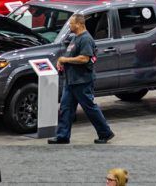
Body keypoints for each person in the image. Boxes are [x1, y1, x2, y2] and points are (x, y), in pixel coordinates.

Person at [49, 14, 114, 144]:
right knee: (66, 108)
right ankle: (63, 136)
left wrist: (65, 59)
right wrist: (62, 62)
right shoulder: (75, 38)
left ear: (79, 24)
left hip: (82, 81)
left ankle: (105, 133)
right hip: (71, 81)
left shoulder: (85, 39)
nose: (69, 26)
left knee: (90, 108)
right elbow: (71, 54)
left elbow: (84, 58)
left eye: (71, 24)